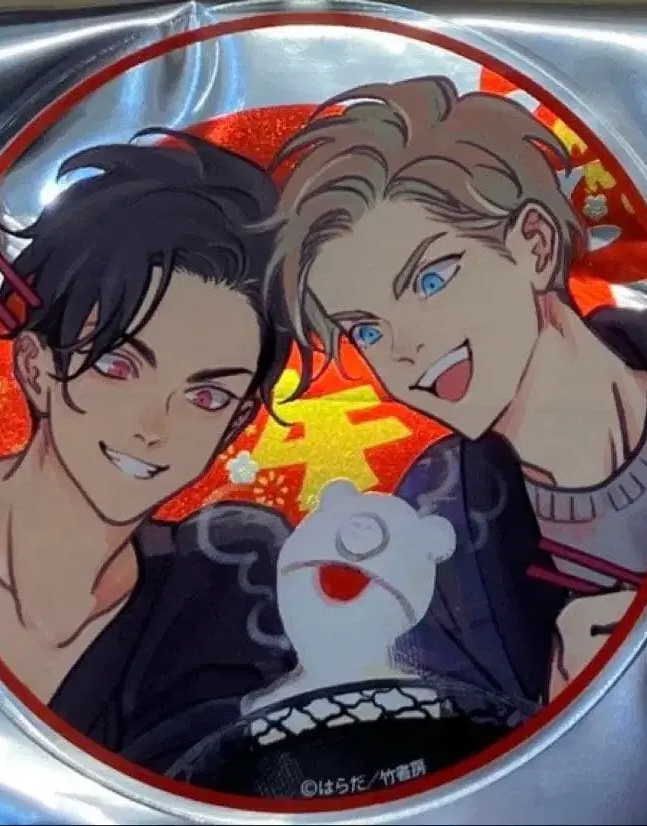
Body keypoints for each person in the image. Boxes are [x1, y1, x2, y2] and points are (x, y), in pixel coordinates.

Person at [0, 130, 298, 773]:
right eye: (118, 366)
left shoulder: (207, 609)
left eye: (205, 397)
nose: (154, 428)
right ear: (36, 365)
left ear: (235, 424)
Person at [265, 75, 644, 709]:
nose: (404, 347)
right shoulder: (429, 533)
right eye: (366, 330)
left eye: (431, 280)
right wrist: (563, 703)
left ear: (534, 245)